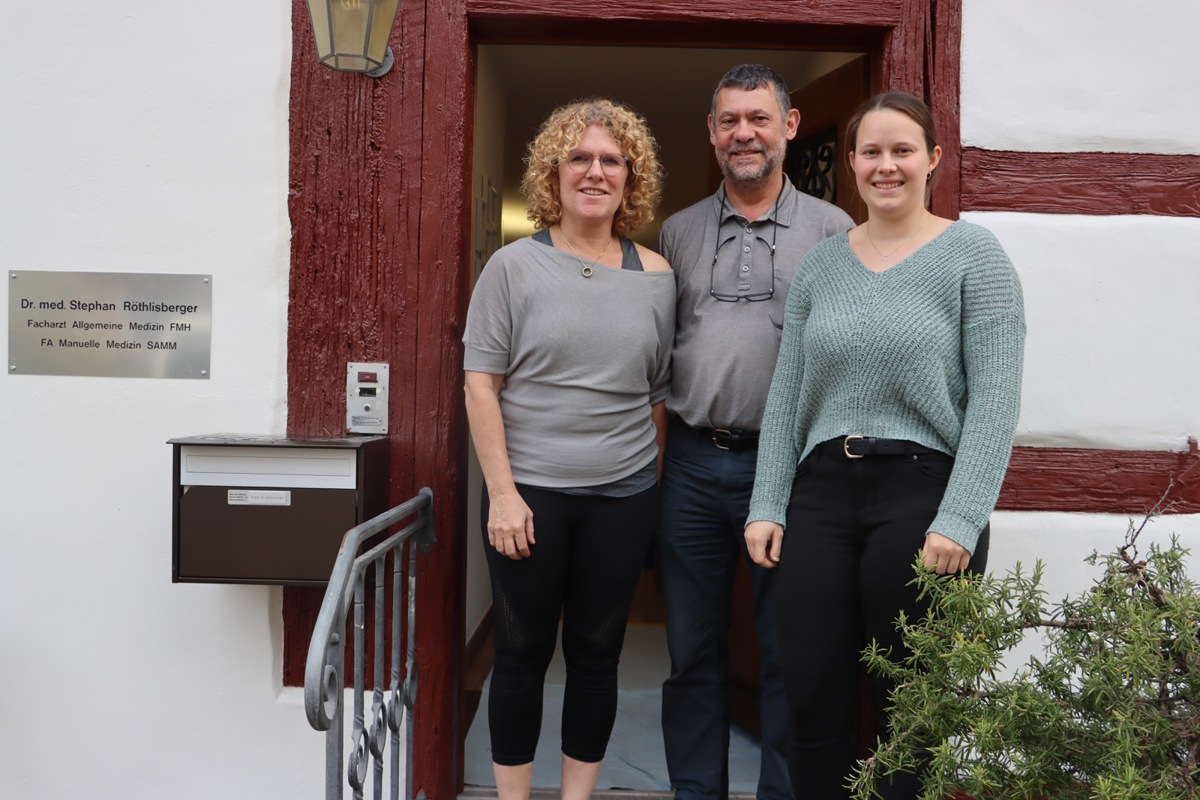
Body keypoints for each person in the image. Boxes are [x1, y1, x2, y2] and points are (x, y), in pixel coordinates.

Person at [744, 90, 1026, 799]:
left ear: (932, 159)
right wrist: (766, 503)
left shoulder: (973, 255)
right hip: (820, 495)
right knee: (810, 698)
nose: (886, 165)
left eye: (902, 150)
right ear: (851, 163)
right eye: (871, 151)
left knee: (908, 716)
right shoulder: (821, 266)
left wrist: (960, 518)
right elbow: (787, 398)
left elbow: (996, 400)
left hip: (922, 496)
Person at [462, 98, 674, 800]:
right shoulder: (513, 268)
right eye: (579, 158)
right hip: (529, 499)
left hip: (623, 498)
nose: (594, 171)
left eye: (611, 160)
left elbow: (656, 395)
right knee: (521, 655)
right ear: (552, 173)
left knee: (596, 656)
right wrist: (502, 494)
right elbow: (480, 385)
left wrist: (652, 487)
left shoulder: (658, 277)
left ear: (630, 177)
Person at [657, 64, 854, 800]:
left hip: (797, 475)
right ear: (712, 134)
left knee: (790, 655)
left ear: (790, 127)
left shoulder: (835, 232)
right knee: (692, 655)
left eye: (759, 118)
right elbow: (659, 354)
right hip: (690, 465)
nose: (745, 132)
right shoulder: (677, 233)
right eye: (730, 120)